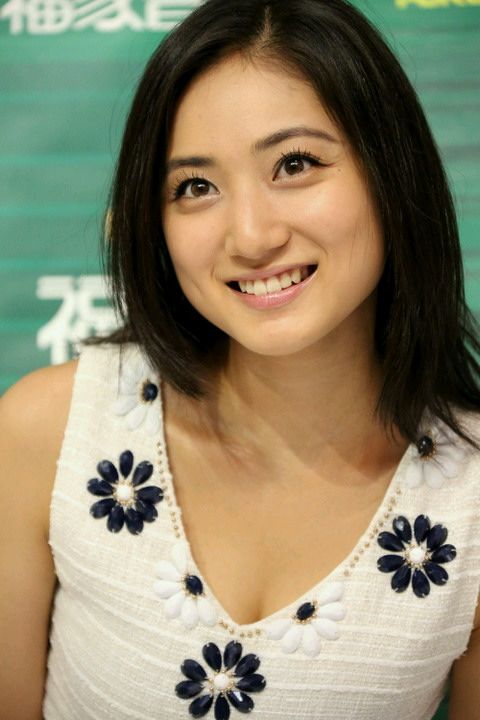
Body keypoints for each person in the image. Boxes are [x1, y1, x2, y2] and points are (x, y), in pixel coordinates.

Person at [1, 0, 480, 718]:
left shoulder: (471, 499)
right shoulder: (50, 430)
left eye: (295, 164)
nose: (251, 236)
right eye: (196, 187)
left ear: (392, 173)